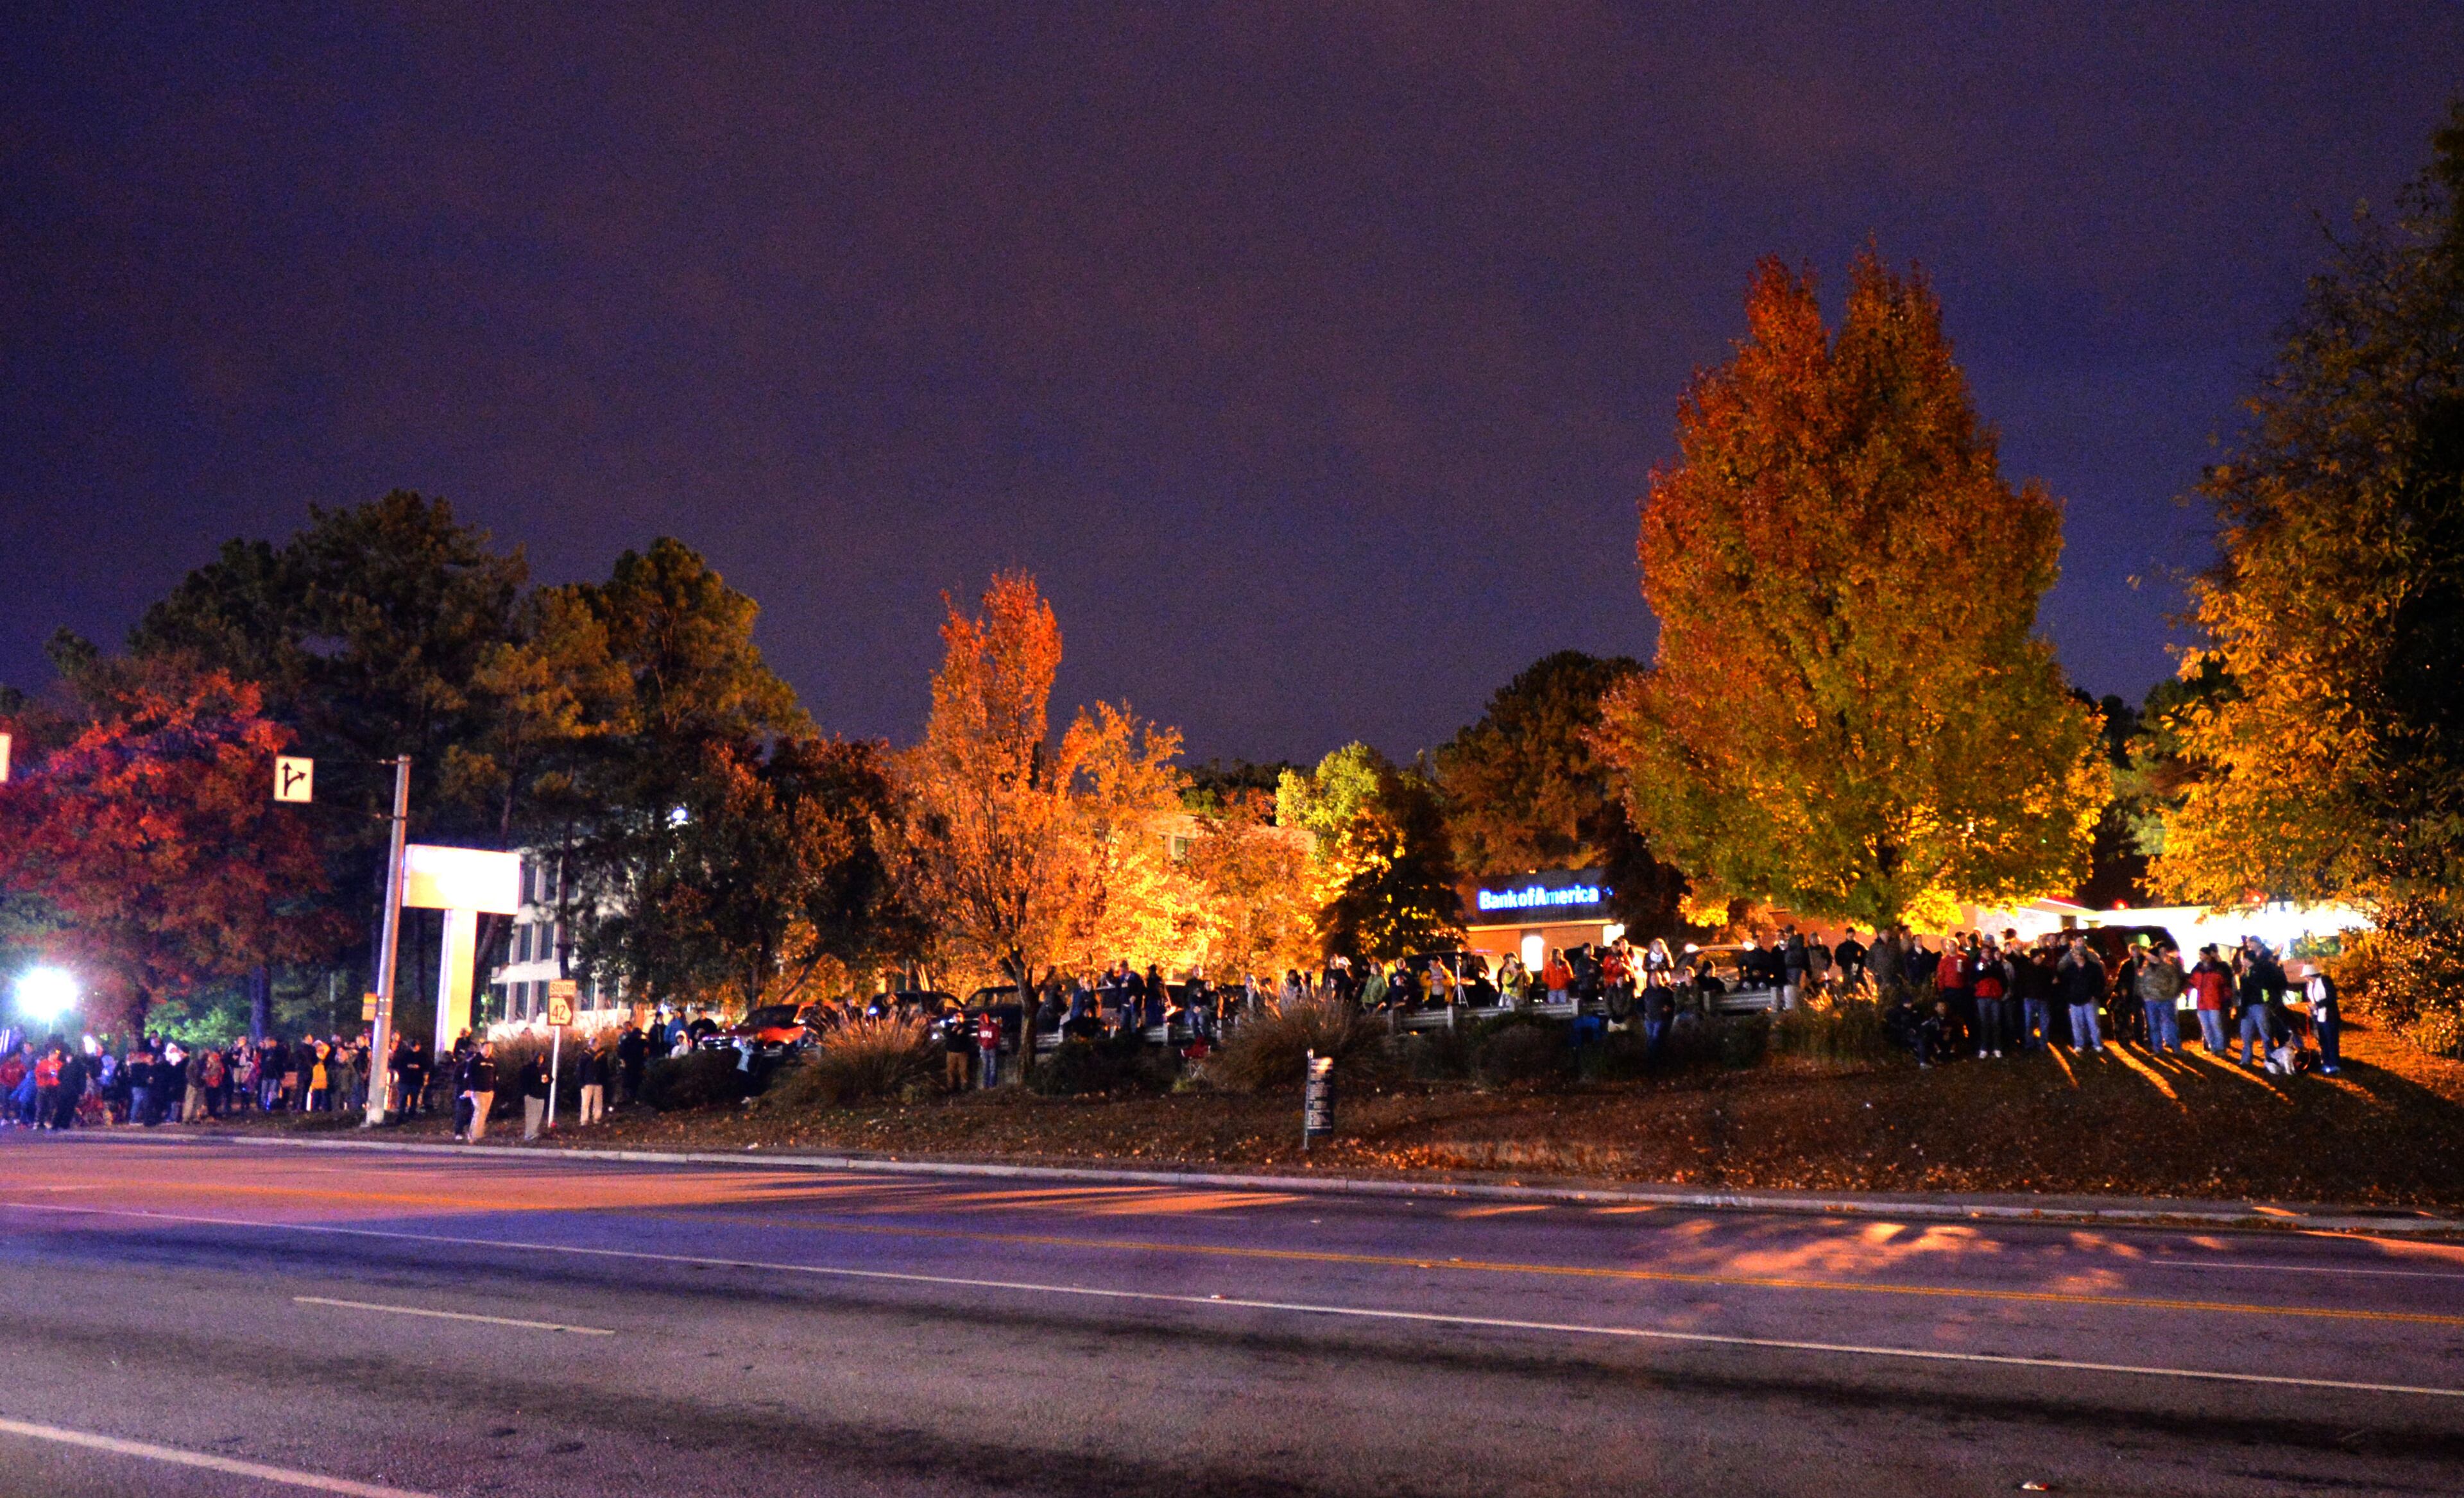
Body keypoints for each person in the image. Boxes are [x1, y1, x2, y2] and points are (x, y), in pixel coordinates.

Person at [2135, 940, 2186, 1054]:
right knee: (2153, 1026)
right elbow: (2141, 983)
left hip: (2165, 1000)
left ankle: (2176, 1047)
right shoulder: (2146, 969)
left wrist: (2170, 994)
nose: (2150, 958)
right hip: (2151, 1001)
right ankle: (2158, 1049)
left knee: (2170, 1023)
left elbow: (2175, 981)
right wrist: (2146, 996)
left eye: (2152, 956)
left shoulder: (2168, 967)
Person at [2059, 936, 2107, 1054]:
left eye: (2078, 955)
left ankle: (2097, 1044)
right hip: (2075, 999)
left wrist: (2095, 994)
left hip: (2090, 999)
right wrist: (2069, 997)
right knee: (2077, 1024)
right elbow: (2065, 983)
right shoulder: (2070, 969)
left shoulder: (2093, 967)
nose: (2075, 957)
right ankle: (2079, 1044)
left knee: (2093, 1023)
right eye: (2074, 955)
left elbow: (2100, 981)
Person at [2188, 946, 2232, 1053]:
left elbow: (2225, 985)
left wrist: (2226, 999)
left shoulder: (2217, 970)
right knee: (2207, 1027)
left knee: (2215, 1026)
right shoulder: (2198, 969)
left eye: (2202, 954)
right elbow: (2191, 982)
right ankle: (2213, 1046)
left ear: (2208, 956)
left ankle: (2220, 1047)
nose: (2200, 957)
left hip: (2214, 1002)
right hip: (2203, 1003)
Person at [2303, 963, 2343, 1075]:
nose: (2306, 979)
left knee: (2331, 1040)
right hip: (2318, 1017)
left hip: (2329, 1016)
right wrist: (2312, 1007)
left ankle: (2335, 1064)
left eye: (2307, 976)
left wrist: (2318, 1005)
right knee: (2323, 1041)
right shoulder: (2311, 985)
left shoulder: (2324, 981)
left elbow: (2331, 998)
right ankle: (2326, 1062)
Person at [456, 1041, 498, 1143]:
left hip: (489, 1091)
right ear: (482, 1049)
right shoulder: (475, 1060)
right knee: (479, 1111)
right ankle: (474, 1135)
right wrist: (467, 1089)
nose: (488, 1051)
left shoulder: (493, 1061)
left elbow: (496, 1076)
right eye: (486, 1048)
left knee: (484, 1113)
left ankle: (479, 1133)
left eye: (490, 1049)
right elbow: (467, 1076)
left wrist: (494, 1089)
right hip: (477, 1090)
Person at [518, 1048, 552, 1141]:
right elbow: (523, 1080)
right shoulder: (528, 1068)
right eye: (539, 1058)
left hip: (541, 1094)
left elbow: (550, 1079)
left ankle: (534, 1131)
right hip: (531, 1094)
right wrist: (525, 1093)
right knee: (531, 1114)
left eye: (542, 1058)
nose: (541, 1059)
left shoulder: (544, 1068)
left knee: (538, 1114)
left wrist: (547, 1081)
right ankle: (529, 1134)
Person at [576, 1042, 607, 1125]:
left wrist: (603, 1080)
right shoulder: (585, 1057)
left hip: (598, 1082)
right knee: (586, 1102)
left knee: (598, 1102)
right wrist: (581, 1082)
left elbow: (605, 1069)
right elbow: (580, 1070)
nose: (598, 1046)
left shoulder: (602, 1056)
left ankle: (597, 1118)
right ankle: (584, 1120)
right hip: (588, 1082)